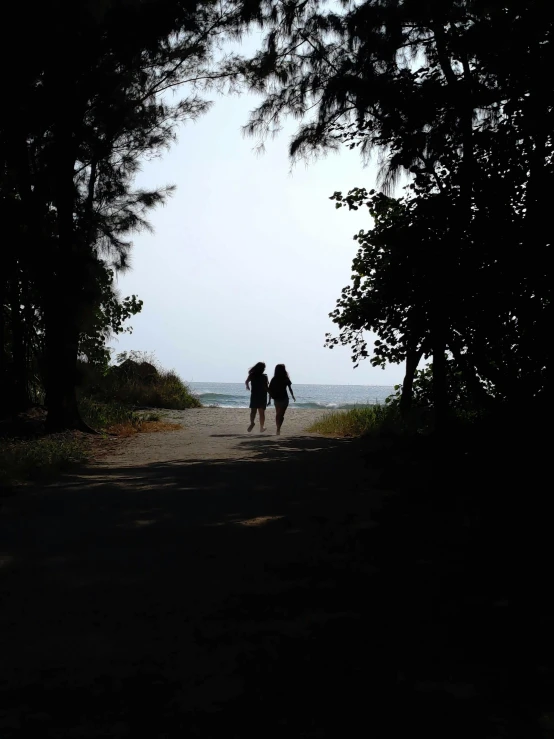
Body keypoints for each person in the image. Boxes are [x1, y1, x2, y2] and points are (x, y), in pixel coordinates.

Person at [268, 364, 296, 435]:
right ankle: (278, 428)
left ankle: (278, 428)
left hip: (280, 399)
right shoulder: (278, 379)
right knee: (280, 415)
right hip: (281, 399)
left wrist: (292, 396)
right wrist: (269, 400)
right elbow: (270, 390)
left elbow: (270, 390)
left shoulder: (277, 379)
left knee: (279, 414)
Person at [245, 361, 270, 432]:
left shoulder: (252, 375)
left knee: (253, 411)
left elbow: (246, 381)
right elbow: (266, 387)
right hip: (262, 396)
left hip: (254, 395)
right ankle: (261, 428)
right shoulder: (264, 377)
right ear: (262, 369)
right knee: (261, 413)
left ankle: (252, 422)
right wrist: (271, 394)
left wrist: (247, 386)